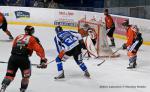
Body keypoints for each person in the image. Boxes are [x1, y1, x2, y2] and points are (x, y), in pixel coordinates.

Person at [0, 25, 47, 92]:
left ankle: (3, 88)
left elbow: (14, 46)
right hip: (24, 60)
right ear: (32, 31)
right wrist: (43, 60)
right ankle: (22, 90)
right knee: (26, 77)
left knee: (9, 76)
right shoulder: (33, 38)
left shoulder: (18, 36)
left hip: (13, 58)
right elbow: (40, 50)